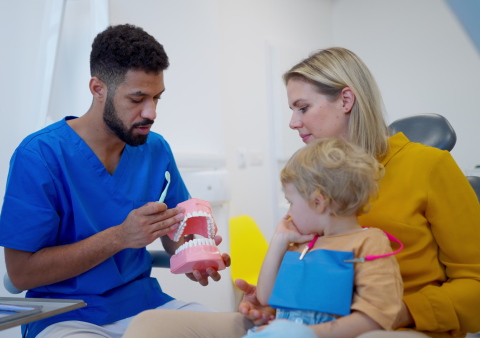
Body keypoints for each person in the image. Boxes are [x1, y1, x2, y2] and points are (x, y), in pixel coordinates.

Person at [122, 47, 480, 338]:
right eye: (292, 110)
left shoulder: (429, 166)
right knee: (153, 327)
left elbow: (475, 284)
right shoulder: (309, 175)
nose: (293, 123)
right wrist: (274, 303)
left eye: (303, 108)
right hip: (303, 322)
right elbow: (295, 265)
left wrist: (393, 311)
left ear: (346, 100)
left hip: (396, 328)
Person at [0, 24, 230, 338]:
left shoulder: (155, 148)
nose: (152, 112)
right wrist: (119, 237)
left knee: (234, 331)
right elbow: (21, 273)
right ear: (98, 88)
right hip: (65, 315)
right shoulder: (39, 155)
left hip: (144, 305)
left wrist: (192, 251)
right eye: (138, 99)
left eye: (157, 98)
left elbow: (174, 231)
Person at [250, 137, 403, 338]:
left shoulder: (369, 242)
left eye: (291, 202)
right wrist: (279, 240)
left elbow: (375, 318)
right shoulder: (303, 243)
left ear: (318, 201)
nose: (289, 213)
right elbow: (266, 297)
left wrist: (302, 334)